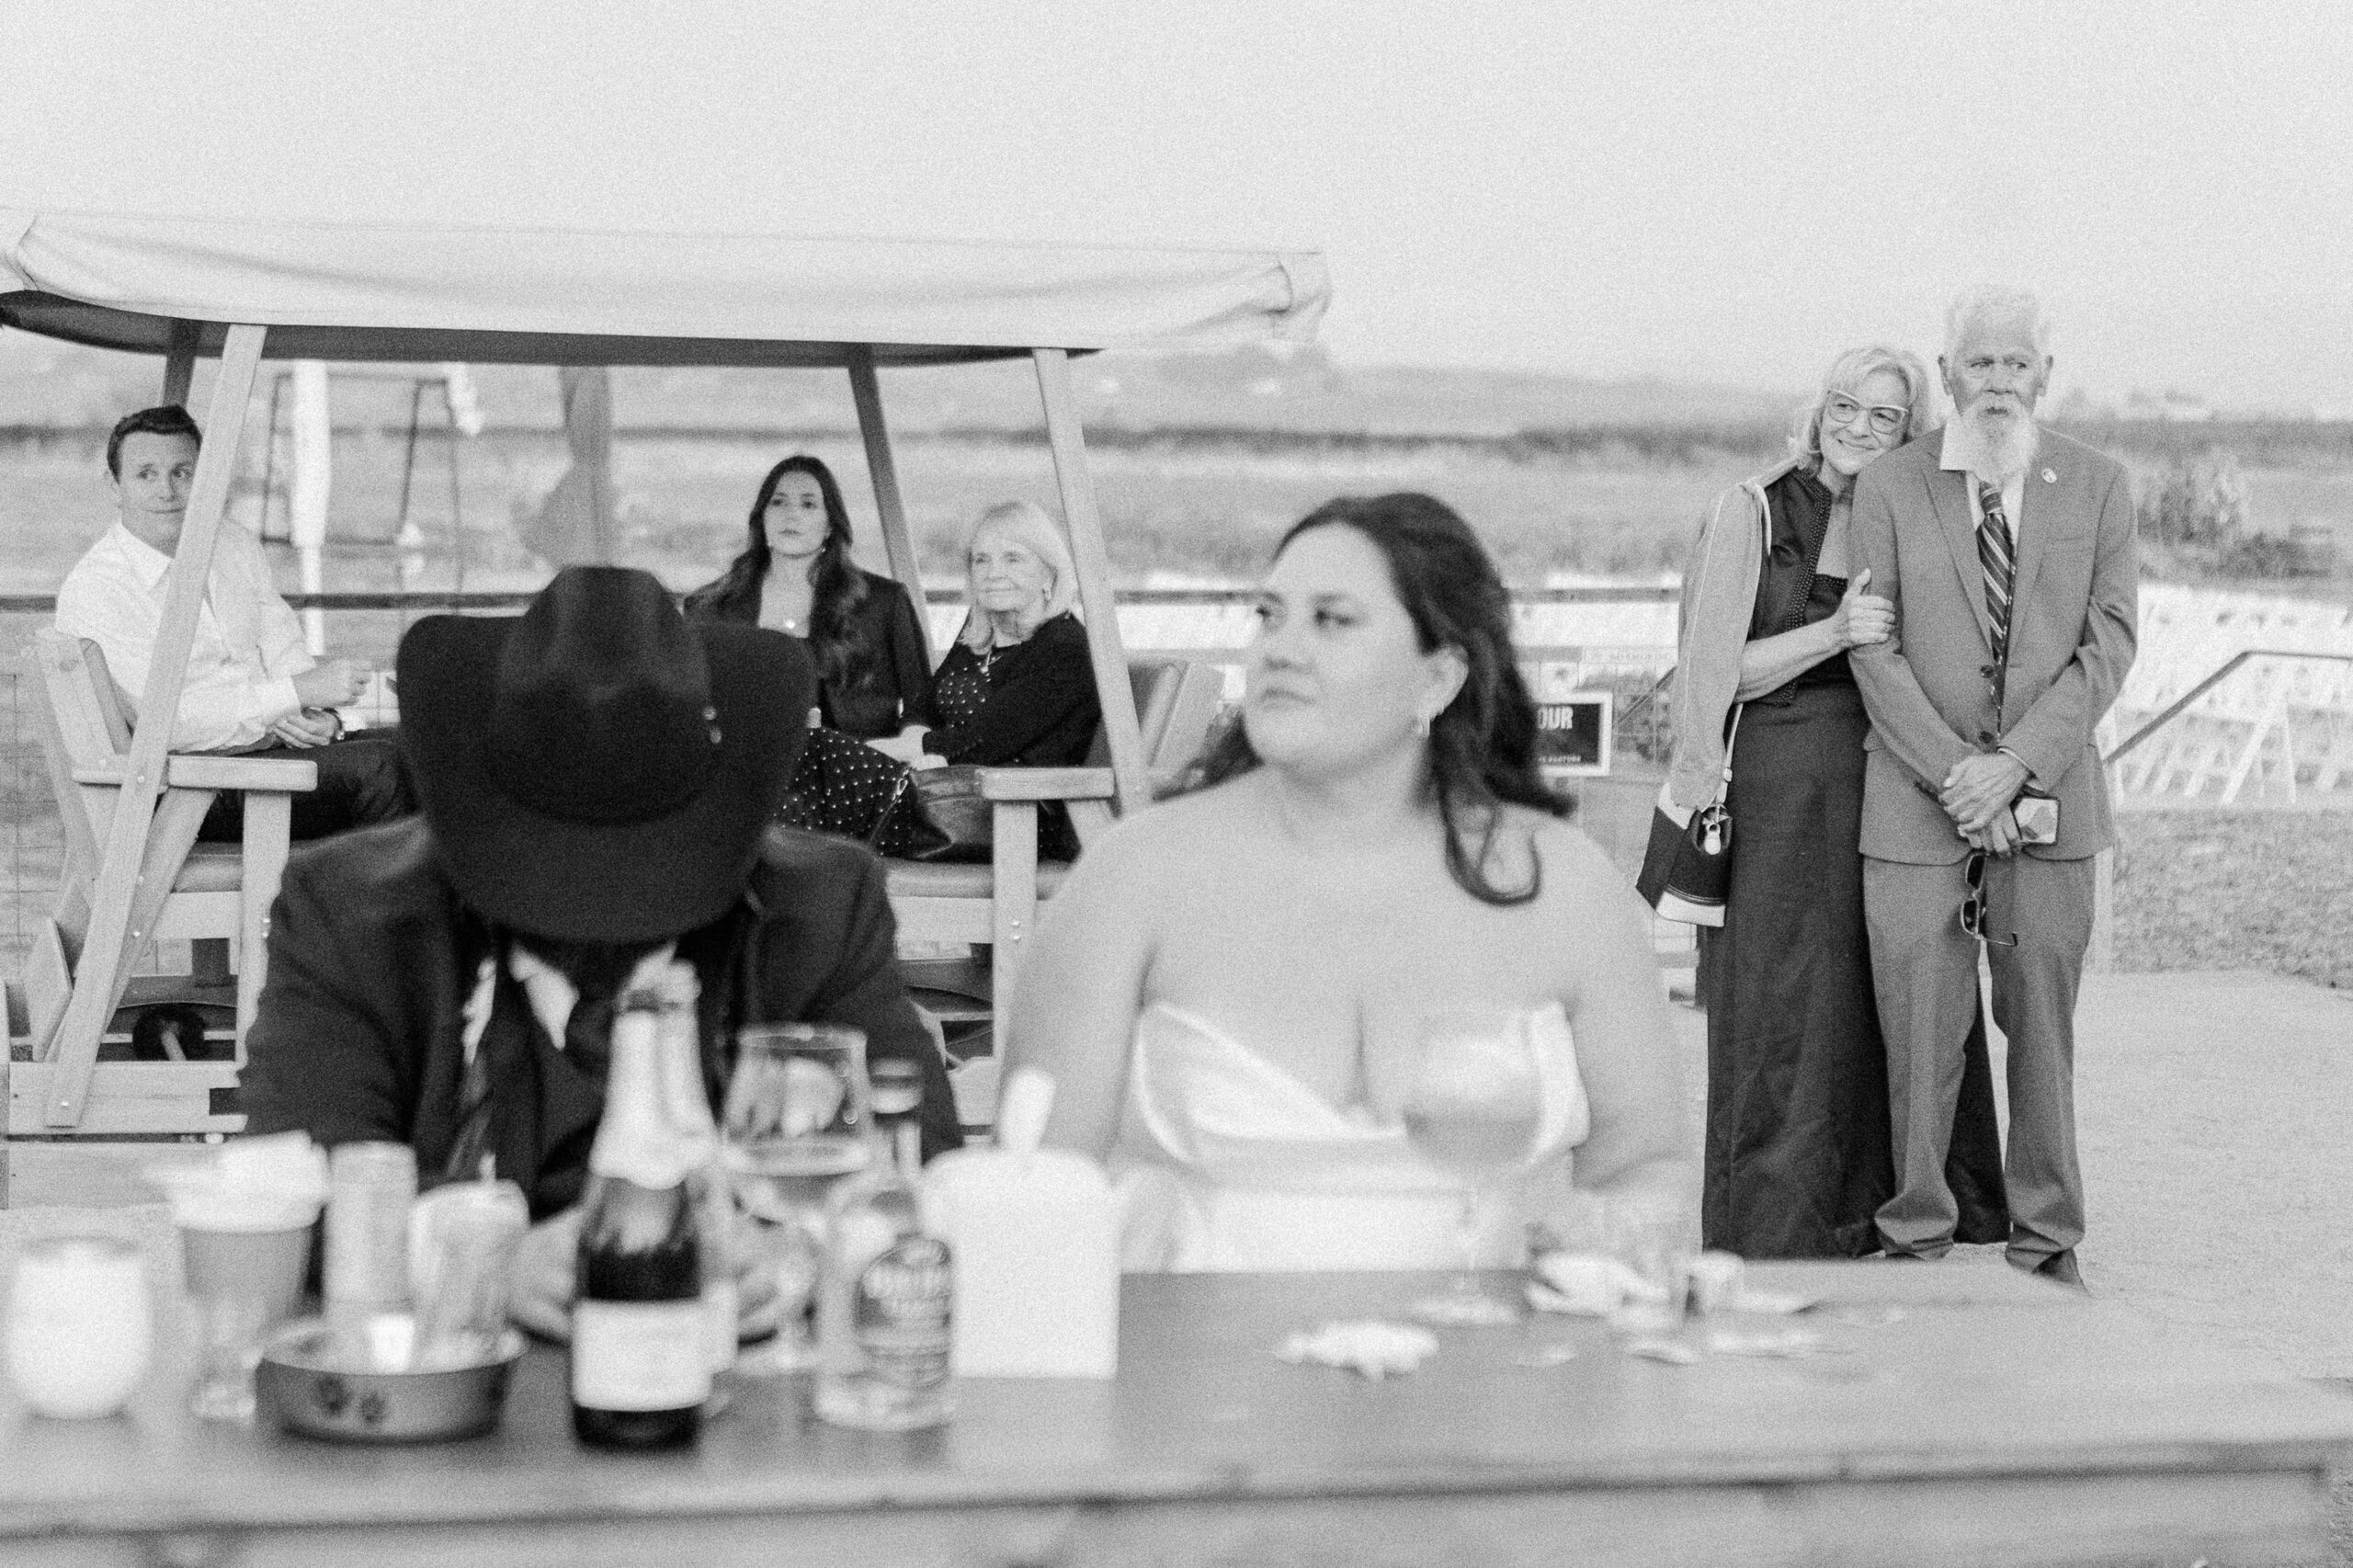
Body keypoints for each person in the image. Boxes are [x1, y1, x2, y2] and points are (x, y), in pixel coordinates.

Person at [241, 566, 962, 1335]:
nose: (602, 912)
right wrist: (474, 1258)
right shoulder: (353, 913)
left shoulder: (819, 909)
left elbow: (926, 1163)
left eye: (647, 868)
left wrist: (803, 1252)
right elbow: (288, 1186)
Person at [1004, 494, 1690, 1271]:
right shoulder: (1135, 877)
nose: (1280, 650)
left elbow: (1644, 1172)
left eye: (1332, 620)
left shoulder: (1563, 883)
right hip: (1191, 1372)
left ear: (1439, 678)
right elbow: (1036, 1189)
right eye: (1270, 617)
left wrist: (1607, 1245)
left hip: (1490, 1376)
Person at [1672, 348, 2009, 1260]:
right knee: (1788, 999)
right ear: (1818, 409)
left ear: (1911, 428)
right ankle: (1782, 1217)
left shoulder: (1917, 514)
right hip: (1785, 789)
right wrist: (1831, 631)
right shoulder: (1756, 509)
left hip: (1892, 777)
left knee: (1897, 989)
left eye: (1884, 415)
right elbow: (1712, 677)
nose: (1858, 427)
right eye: (1845, 407)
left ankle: (1912, 1202)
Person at [1849, 288, 2137, 1288]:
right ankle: (1917, 1231)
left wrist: (2013, 764)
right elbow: (1869, 644)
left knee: (2043, 1034)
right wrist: (1955, 775)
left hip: (2051, 803)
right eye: (1981, 363)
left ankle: (2047, 1238)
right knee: (1917, 1032)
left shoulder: (2099, 485)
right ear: (1949, 370)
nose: (2000, 381)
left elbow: (2109, 645)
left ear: (2045, 377)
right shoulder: (1889, 485)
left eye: (2019, 364)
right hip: (1913, 806)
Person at [53, 404, 411, 841]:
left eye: (182, 473)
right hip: (185, 789)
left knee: (418, 748)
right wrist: (292, 694)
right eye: (145, 474)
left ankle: (396, 903)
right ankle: (384, 907)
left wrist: (320, 714)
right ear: (115, 485)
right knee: (381, 771)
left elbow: (282, 647)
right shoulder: (100, 589)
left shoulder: (232, 543)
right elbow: (171, 725)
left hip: (259, 753)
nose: (166, 491)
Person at [684, 454, 938, 854]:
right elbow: (692, 707)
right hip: (749, 770)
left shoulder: (882, 602)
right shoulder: (710, 607)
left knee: (784, 819)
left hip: (849, 773)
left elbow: (921, 708)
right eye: (778, 502)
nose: (791, 515)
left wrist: (901, 750)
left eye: (808, 504)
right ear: (761, 520)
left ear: (830, 524)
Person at [898, 501, 1102, 860]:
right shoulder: (981, 632)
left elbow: (980, 743)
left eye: (1013, 559)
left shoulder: (1064, 650)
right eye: (981, 560)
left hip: (1012, 814)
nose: (993, 573)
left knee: (823, 759)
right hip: (944, 793)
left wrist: (916, 751)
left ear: (1049, 575)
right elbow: (922, 709)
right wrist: (918, 745)